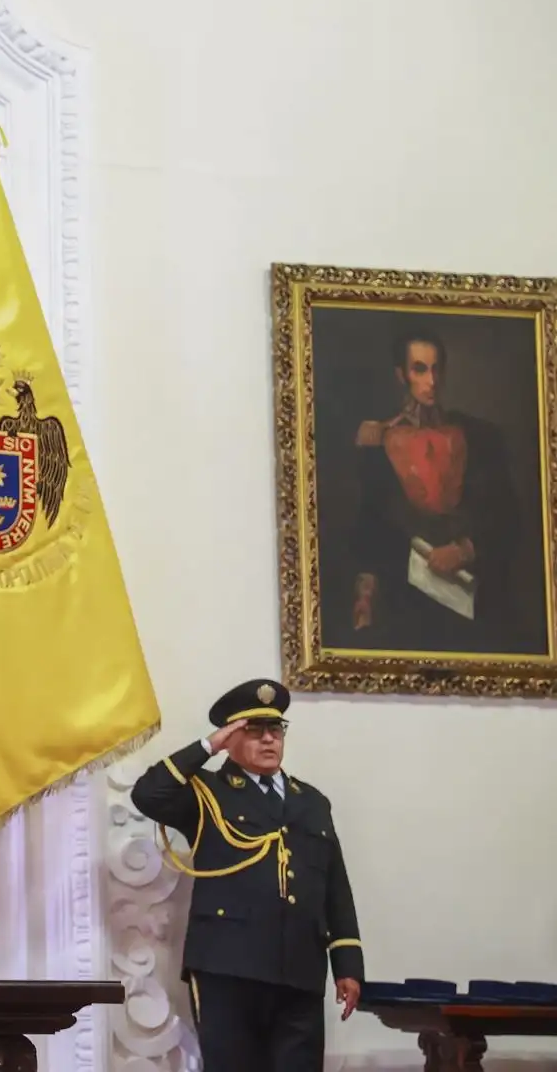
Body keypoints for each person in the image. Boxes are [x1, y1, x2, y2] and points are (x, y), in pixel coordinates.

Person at [130, 680, 363, 1071]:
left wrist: (348, 967)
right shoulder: (207, 793)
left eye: (276, 730)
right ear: (231, 737)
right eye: (254, 732)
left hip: (300, 969)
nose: (269, 740)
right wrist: (208, 746)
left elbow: (334, 887)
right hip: (229, 968)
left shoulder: (312, 802)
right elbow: (148, 794)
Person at [349, 327, 529, 653]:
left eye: (436, 369)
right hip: (407, 602)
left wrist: (464, 550)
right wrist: (364, 597)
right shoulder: (377, 441)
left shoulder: (479, 436)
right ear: (401, 374)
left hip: (475, 599)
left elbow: (509, 517)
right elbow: (370, 528)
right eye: (420, 369)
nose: (431, 381)